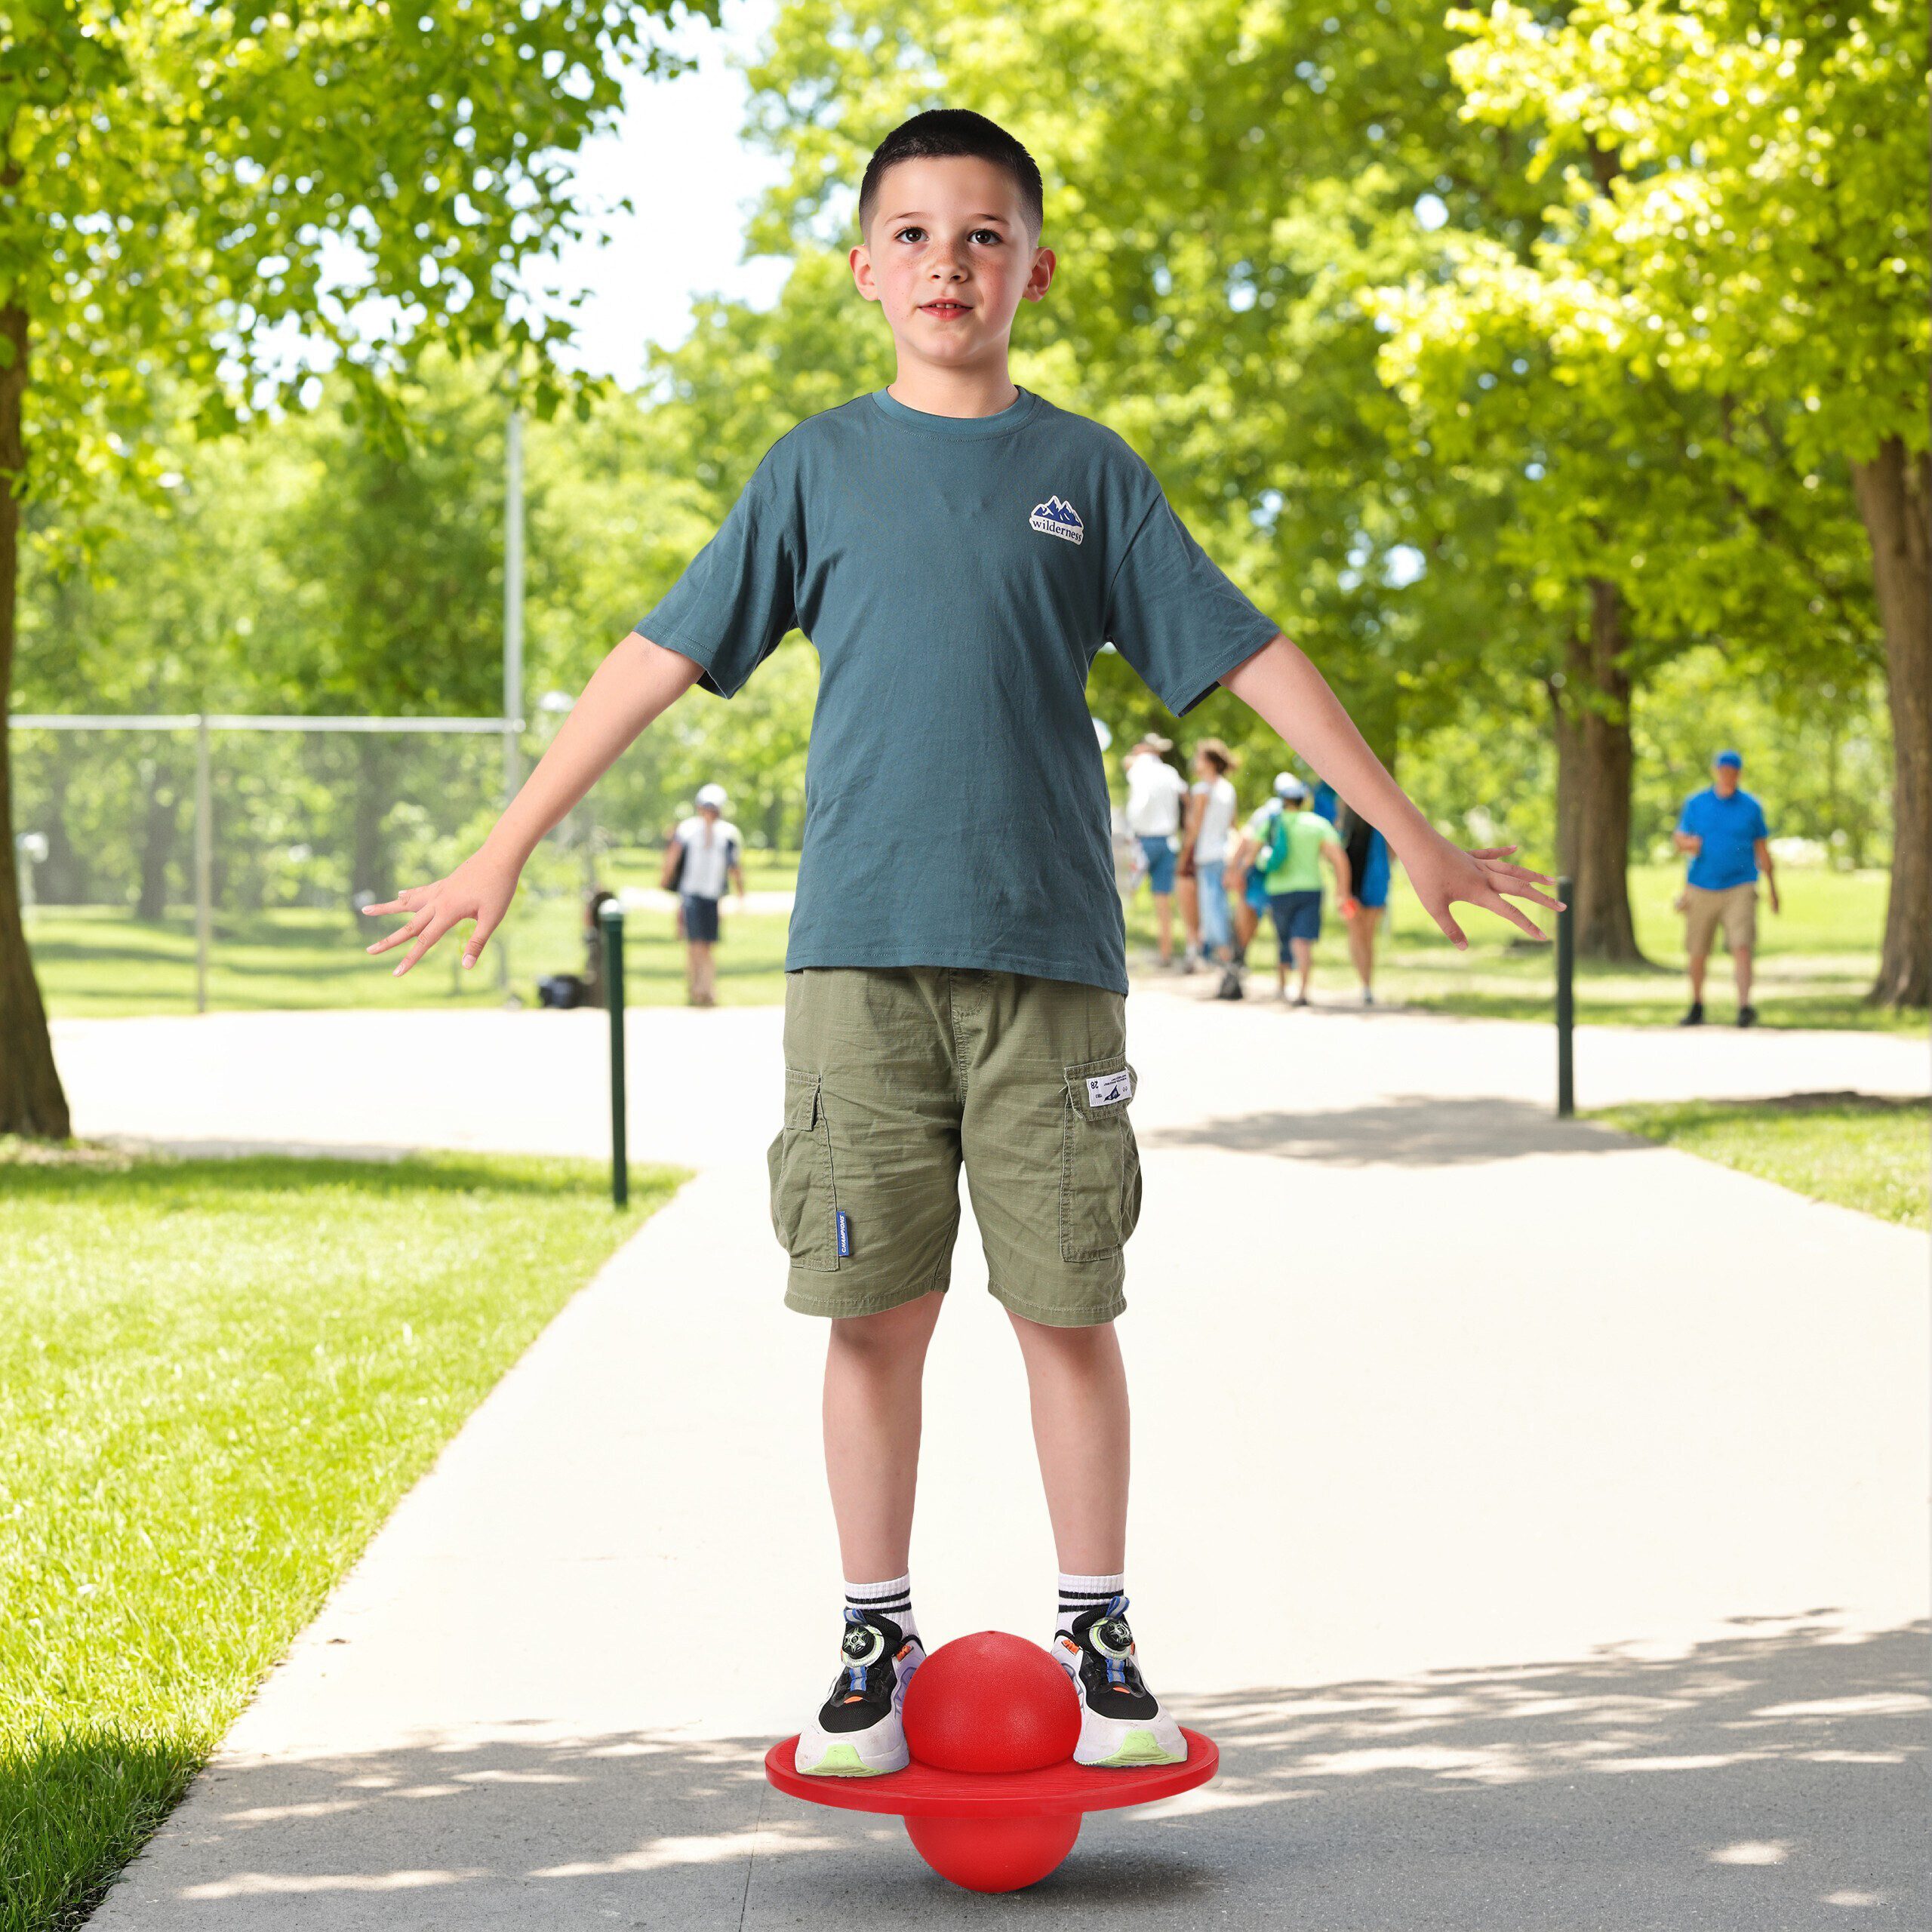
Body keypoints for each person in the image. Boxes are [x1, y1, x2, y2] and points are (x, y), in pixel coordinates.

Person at [363, 109, 1556, 1780]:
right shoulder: (814, 468)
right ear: (864, 269)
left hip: (1047, 962)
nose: (948, 259)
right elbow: (652, 656)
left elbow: (1251, 655)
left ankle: (1098, 1630)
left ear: (1033, 271)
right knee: (874, 1313)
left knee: (1067, 1304)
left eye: (983, 234)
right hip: (857, 962)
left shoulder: (1087, 475)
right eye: (915, 234)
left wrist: (1407, 831)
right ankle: (871, 1626)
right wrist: (503, 839)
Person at [1674, 749, 1778, 1027]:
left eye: (1733, 772)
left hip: (1740, 885)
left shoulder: (1751, 807)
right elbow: (1679, 838)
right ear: (1716, 771)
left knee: (1742, 945)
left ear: (1739, 774)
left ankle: (1744, 1007)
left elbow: (1762, 849)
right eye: (1723, 771)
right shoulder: (1696, 803)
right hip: (1701, 885)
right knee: (1698, 949)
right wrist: (1689, 844)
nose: (1728, 776)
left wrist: (1774, 890)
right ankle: (1696, 1004)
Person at [1239, 774, 1353, 1005]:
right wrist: (1343, 891)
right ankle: (1302, 990)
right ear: (1304, 800)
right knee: (1302, 939)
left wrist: (1242, 878)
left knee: (1283, 938)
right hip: (1310, 888)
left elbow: (1251, 855)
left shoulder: (1272, 823)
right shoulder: (1317, 824)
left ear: (1282, 800)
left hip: (1278, 889)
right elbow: (1339, 859)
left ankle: (1282, 986)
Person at [664, 782, 746, 1008]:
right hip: (691, 893)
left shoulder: (727, 834)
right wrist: (666, 879)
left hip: (711, 895)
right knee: (693, 943)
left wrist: (740, 893)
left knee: (707, 944)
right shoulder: (688, 830)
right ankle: (697, 987)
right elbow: (673, 857)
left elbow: (735, 866)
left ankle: (706, 987)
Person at [1122, 734, 1187, 968]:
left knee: (1122, 894)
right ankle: (1166, 954)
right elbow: (1184, 795)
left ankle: (1118, 952)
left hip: (1143, 841)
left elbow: (1140, 801)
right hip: (1168, 841)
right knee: (1163, 900)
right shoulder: (1169, 772)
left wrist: (1130, 831)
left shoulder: (1139, 768)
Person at [1180, 739, 1240, 974]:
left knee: (1211, 908)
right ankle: (1226, 956)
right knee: (1220, 906)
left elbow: (1194, 828)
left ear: (1208, 762)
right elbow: (1233, 825)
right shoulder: (1228, 789)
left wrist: (1184, 857)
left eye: (1199, 758)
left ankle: (1226, 958)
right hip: (1224, 855)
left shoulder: (1202, 790)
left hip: (1207, 855)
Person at [1336, 803, 1392, 1004]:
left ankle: (1365, 984)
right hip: (1371, 881)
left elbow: (1338, 852)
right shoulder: (1385, 818)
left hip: (1356, 882)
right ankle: (1366, 985)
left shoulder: (1346, 813)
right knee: (1366, 937)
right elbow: (1392, 853)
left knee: (1358, 934)